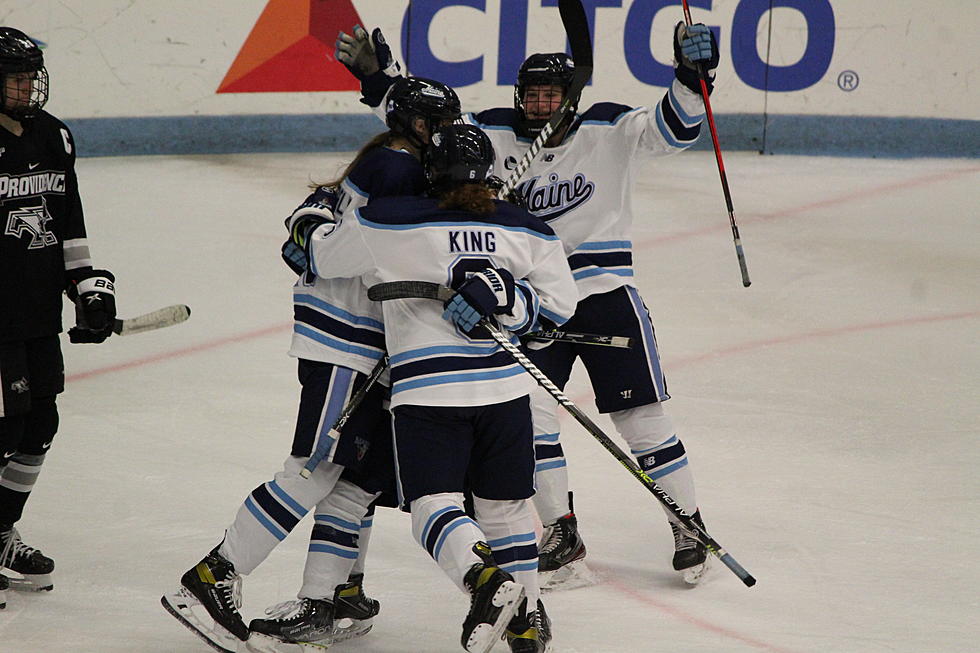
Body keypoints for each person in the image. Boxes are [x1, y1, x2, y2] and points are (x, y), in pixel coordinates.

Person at [337, 21, 721, 586]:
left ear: (572, 97)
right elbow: (429, 128)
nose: (541, 105)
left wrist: (692, 74)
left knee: (642, 418)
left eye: (552, 95)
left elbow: (677, 126)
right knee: (535, 424)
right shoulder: (491, 133)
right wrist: (380, 81)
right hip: (531, 301)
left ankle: (688, 523)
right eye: (533, 94)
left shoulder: (609, 127)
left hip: (603, 292)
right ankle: (560, 532)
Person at [160, 77, 462, 653]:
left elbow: (320, 204)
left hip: (368, 340)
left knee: (357, 478)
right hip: (346, 339)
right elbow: (405, 245)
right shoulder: (399, 167)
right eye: (437, 121)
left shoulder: (390, 157)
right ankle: (212, 577)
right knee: (316, 466)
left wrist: (306, 219)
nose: (445, 130)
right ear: (413, 125)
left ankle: (330, 596)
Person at [299, 122, 578, 653]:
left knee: (434, 506)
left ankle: (487, 583)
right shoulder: (528, 228)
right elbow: (559, 308)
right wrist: (506, 294)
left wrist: (309, 218)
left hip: (430, 393)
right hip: (504, 391)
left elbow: (325, 259)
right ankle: (528, 618)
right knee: (507, 510)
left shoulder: (388, 220)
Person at [0, 27, 117, 605]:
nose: (26, 87)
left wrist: (89, 288)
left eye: (29, 76)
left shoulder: (53, 137)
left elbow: (67, 224)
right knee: (4, 430)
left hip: (37, 314)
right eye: (14, 78)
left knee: (38, 428)